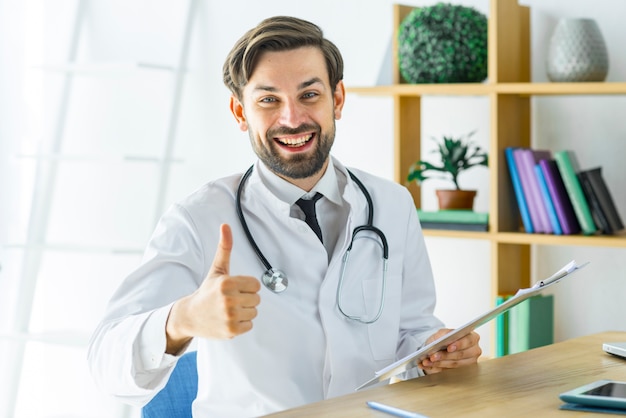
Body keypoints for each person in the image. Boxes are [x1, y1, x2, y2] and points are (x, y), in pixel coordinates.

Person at [87, 15, 481, 417]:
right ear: (240, 112)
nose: (292, 118)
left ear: (337, 99)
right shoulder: (197, 219)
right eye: (268, 100)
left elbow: (410, 331)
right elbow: (105, 363)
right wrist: (181, 320)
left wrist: (436, 349)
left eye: (309, 94)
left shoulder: (391, 205)